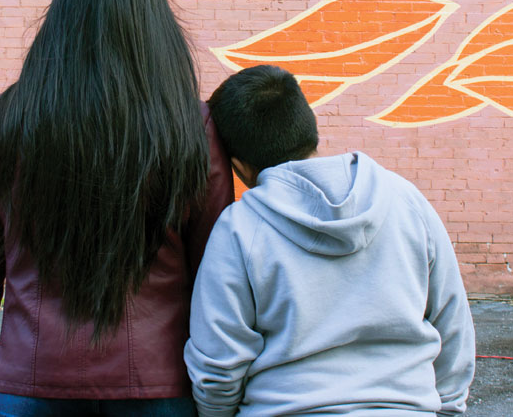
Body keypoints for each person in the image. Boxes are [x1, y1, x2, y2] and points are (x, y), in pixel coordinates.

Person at [0, 0, 235, 417]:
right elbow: (218, 272)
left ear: (60, 26)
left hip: (32, 385)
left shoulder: (10, 119)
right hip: (159, 388)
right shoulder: (190, 126)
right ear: (155, 31)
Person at [184, 65, 475, 416]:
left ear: (239, 167)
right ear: (311, 130)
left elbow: (217, 365)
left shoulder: (238, 229)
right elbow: (453, 325)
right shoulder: (406, 200)